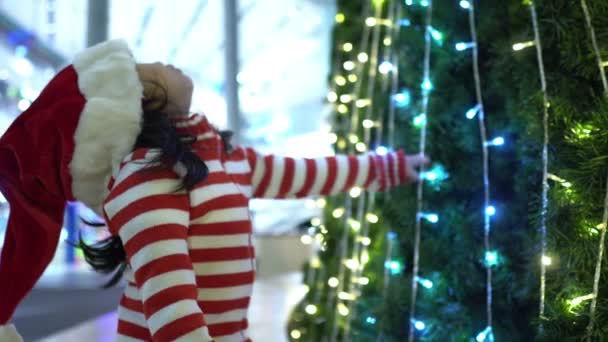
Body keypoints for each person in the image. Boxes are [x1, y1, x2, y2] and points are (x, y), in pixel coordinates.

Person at [0, 39, 428, 342]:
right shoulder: (147, 177)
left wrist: (387, 168)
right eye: (141, 70)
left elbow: (304, 174)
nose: (158, 64)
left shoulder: (221, 156)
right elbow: (168, 294)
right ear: (134, 105)